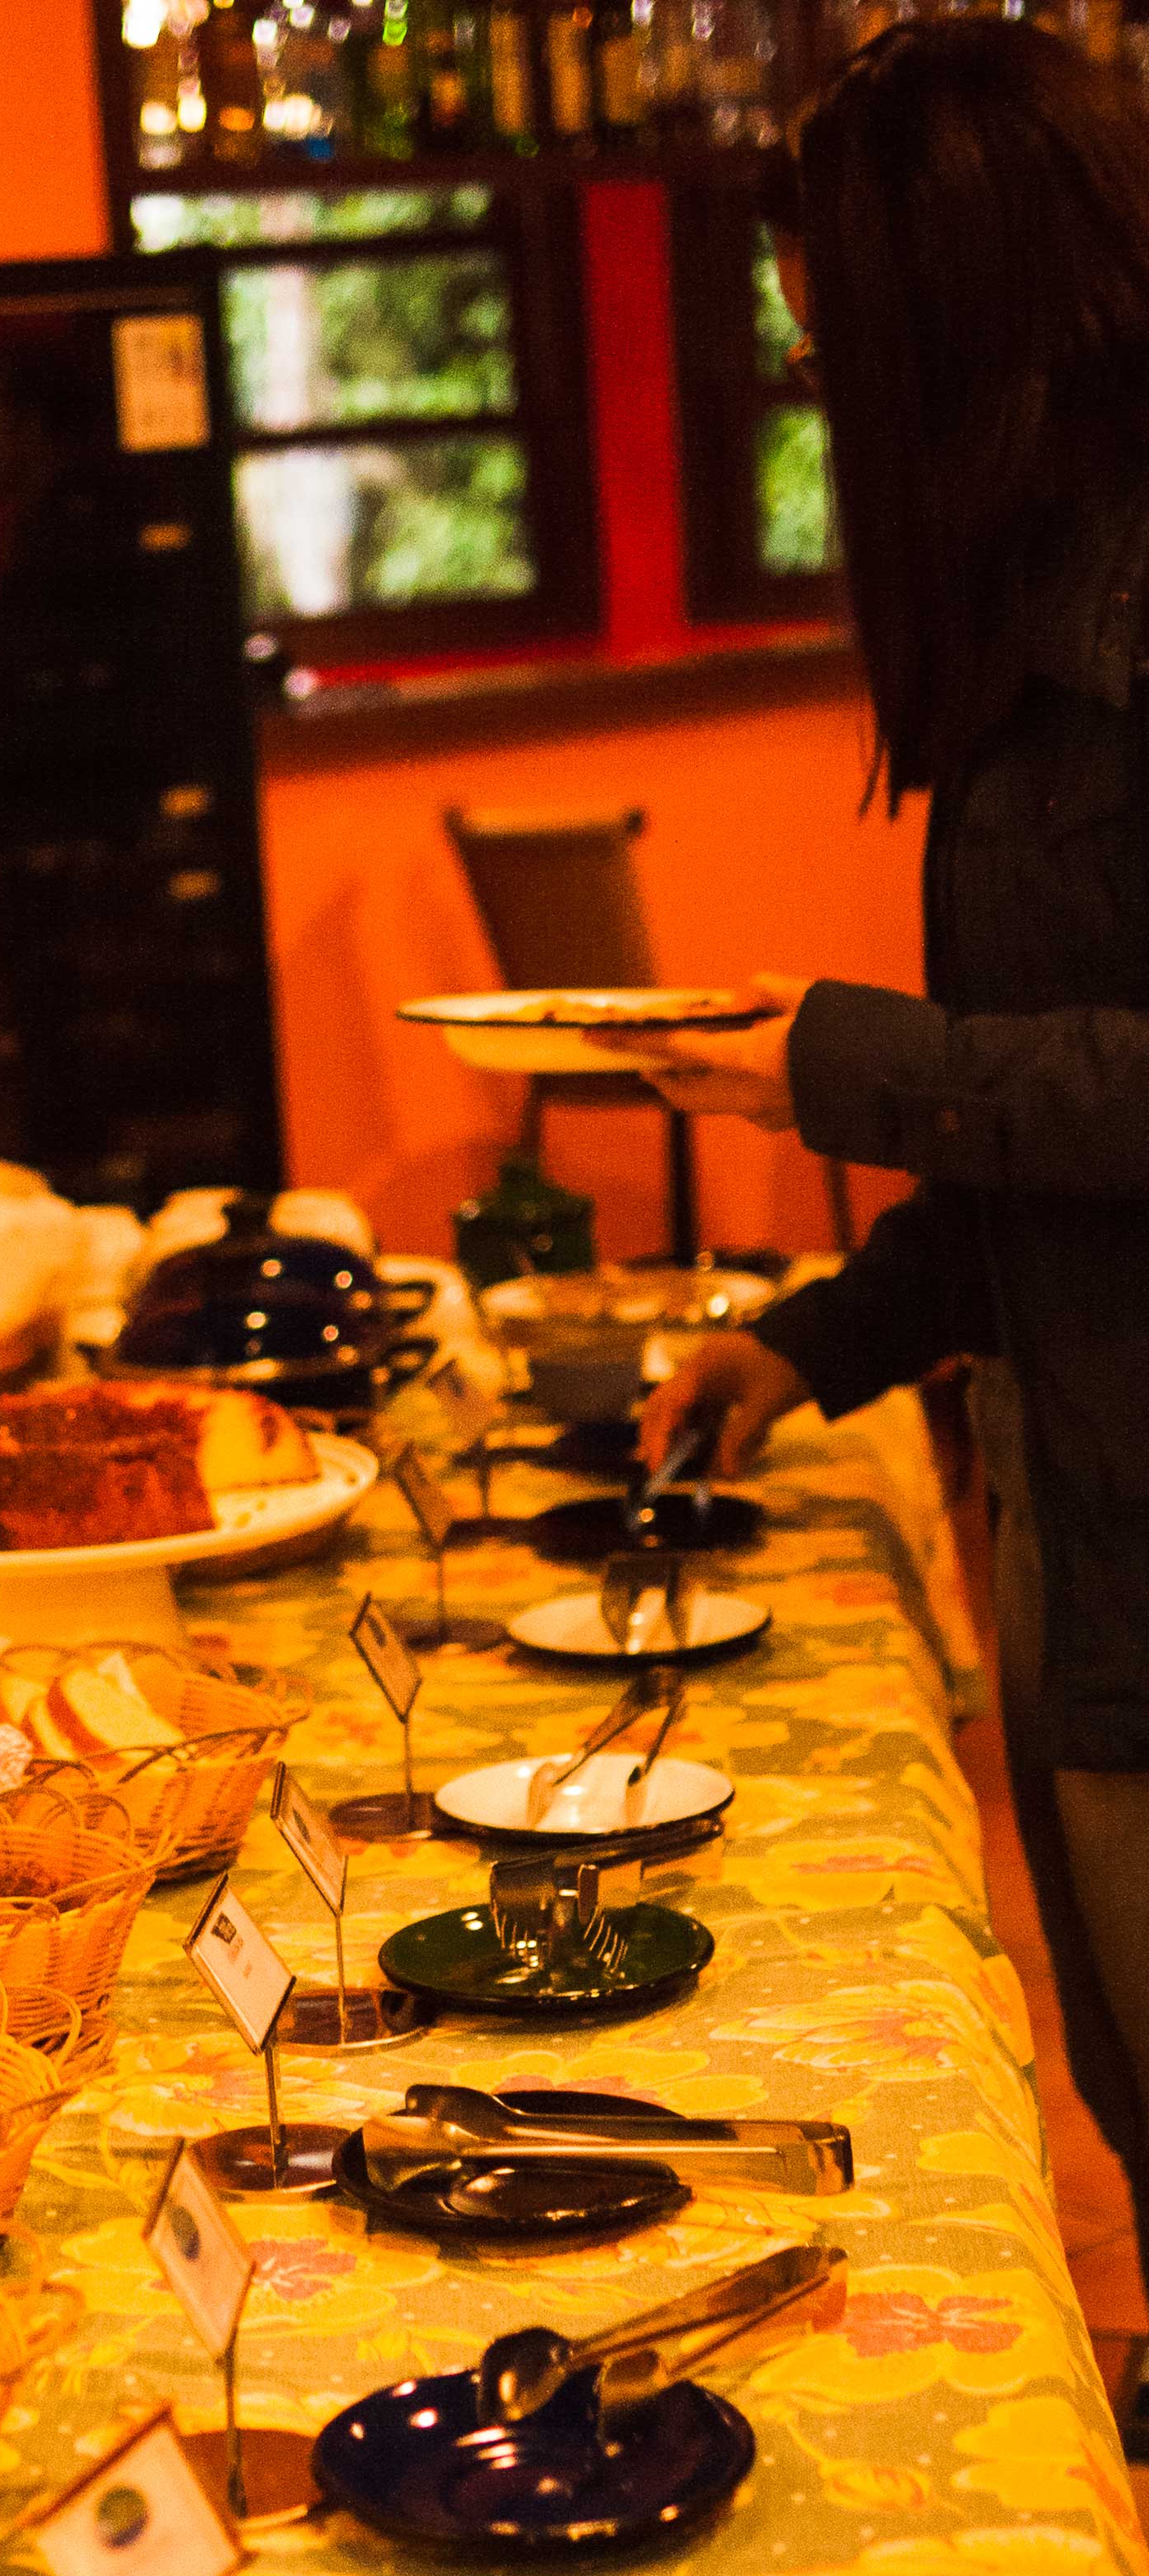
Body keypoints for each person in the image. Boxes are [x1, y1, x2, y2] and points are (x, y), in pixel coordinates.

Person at [636, 20, 1149, 2233]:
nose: (807, 372)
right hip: (1078, 1473)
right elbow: (1053, 1132)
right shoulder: (1026, 604)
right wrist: (814, 1340)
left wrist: (830, 1065)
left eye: (824, 324)